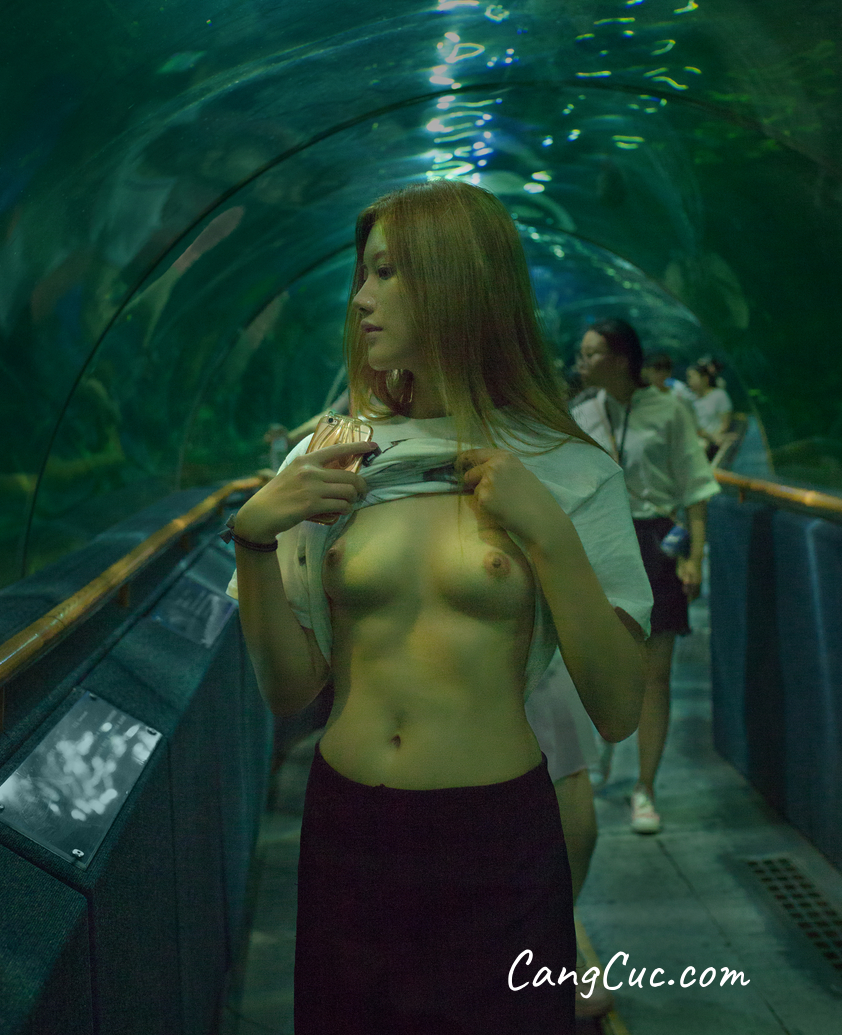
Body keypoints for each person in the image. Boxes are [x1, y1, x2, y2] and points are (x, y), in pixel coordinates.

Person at [224, 181, 652, 1035]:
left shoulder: (567, 469)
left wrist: (547, 535)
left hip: (493, 837)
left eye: (386, 273)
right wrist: (252, 540)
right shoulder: (332, 456)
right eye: (362, 274)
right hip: (347, 827)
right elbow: (288, 689)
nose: (360, 298)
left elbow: (614, 708)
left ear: (458, 282)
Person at [573, 319, 720, 834]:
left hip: (656, 542)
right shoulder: (582, 413)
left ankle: (645, 787)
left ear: (620, 360)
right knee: (598, 659)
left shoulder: (668, 409)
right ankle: (602, 748)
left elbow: (695, 490)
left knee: (655, 673)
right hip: (599, 541)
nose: (581, 363)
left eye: (591, 354)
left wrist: (695, 557)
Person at [686, 360, 733, 460]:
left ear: (705, 378)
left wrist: (713, 437)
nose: (689, 381)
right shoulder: (689, 399)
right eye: (688, 377)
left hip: (713, 442)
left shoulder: (719, 395)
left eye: (692, 377)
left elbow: (725, 424)